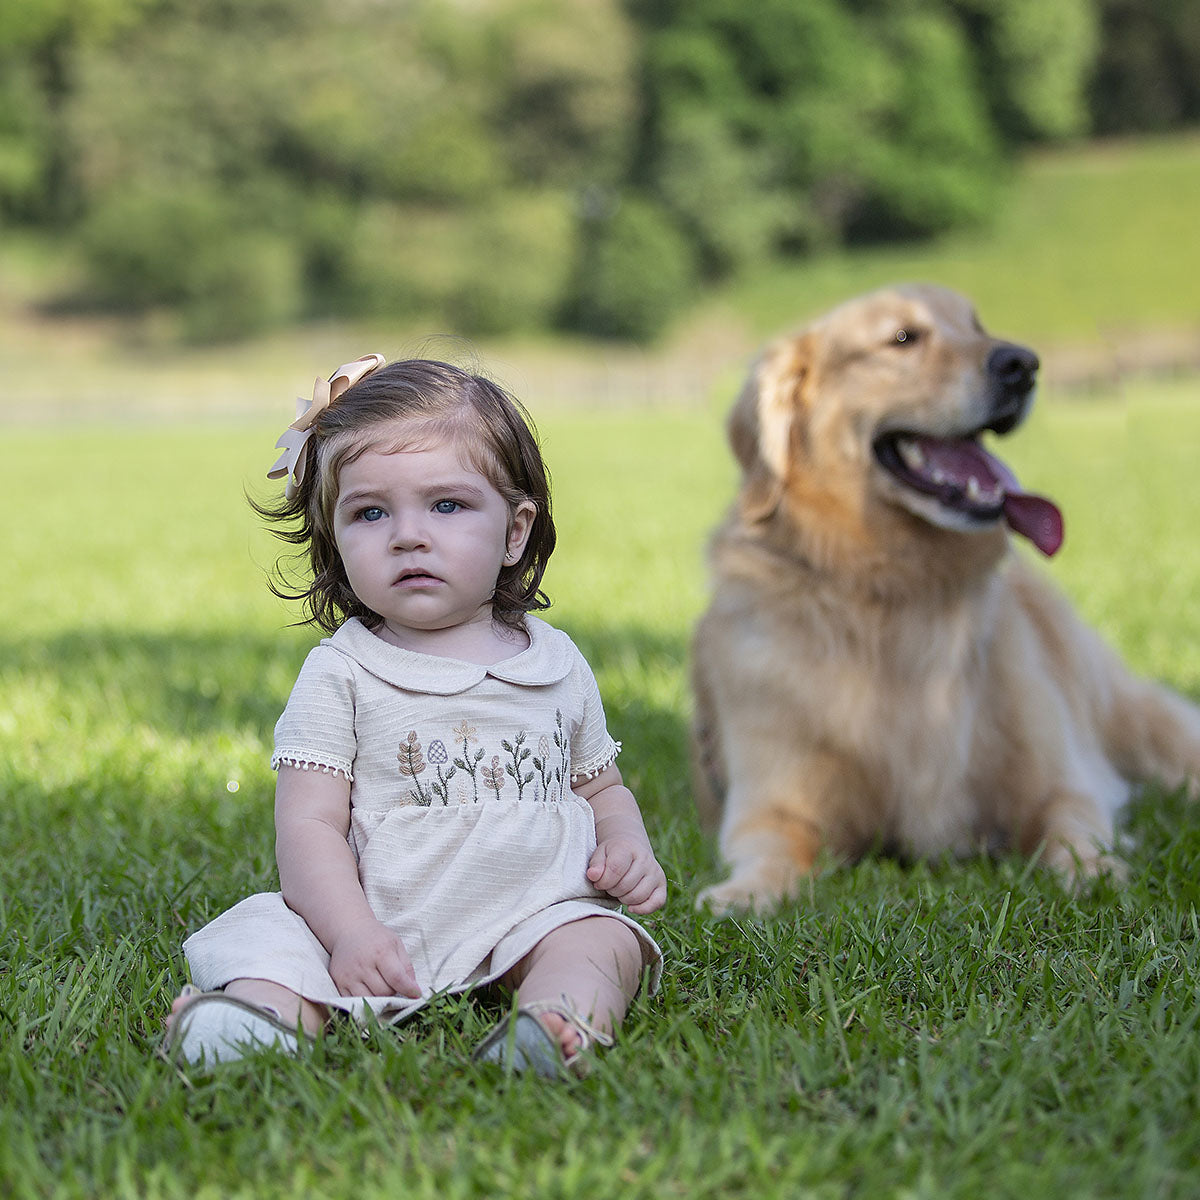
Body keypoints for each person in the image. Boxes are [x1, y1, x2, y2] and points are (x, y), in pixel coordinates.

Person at [164, 355, 666, 1075]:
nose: (408, 535)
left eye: (447, 505)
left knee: (599, 939)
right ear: (335, 536)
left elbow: (600, 788)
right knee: (278, 944)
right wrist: (350, 934)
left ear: (515, 531)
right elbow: (309, 827)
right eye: (370, 512)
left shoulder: (555, 663)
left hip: (531, 911)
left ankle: (555, 1024)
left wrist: (628, 847)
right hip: (374, 913)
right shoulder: (343, 672)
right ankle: (256, 1022)